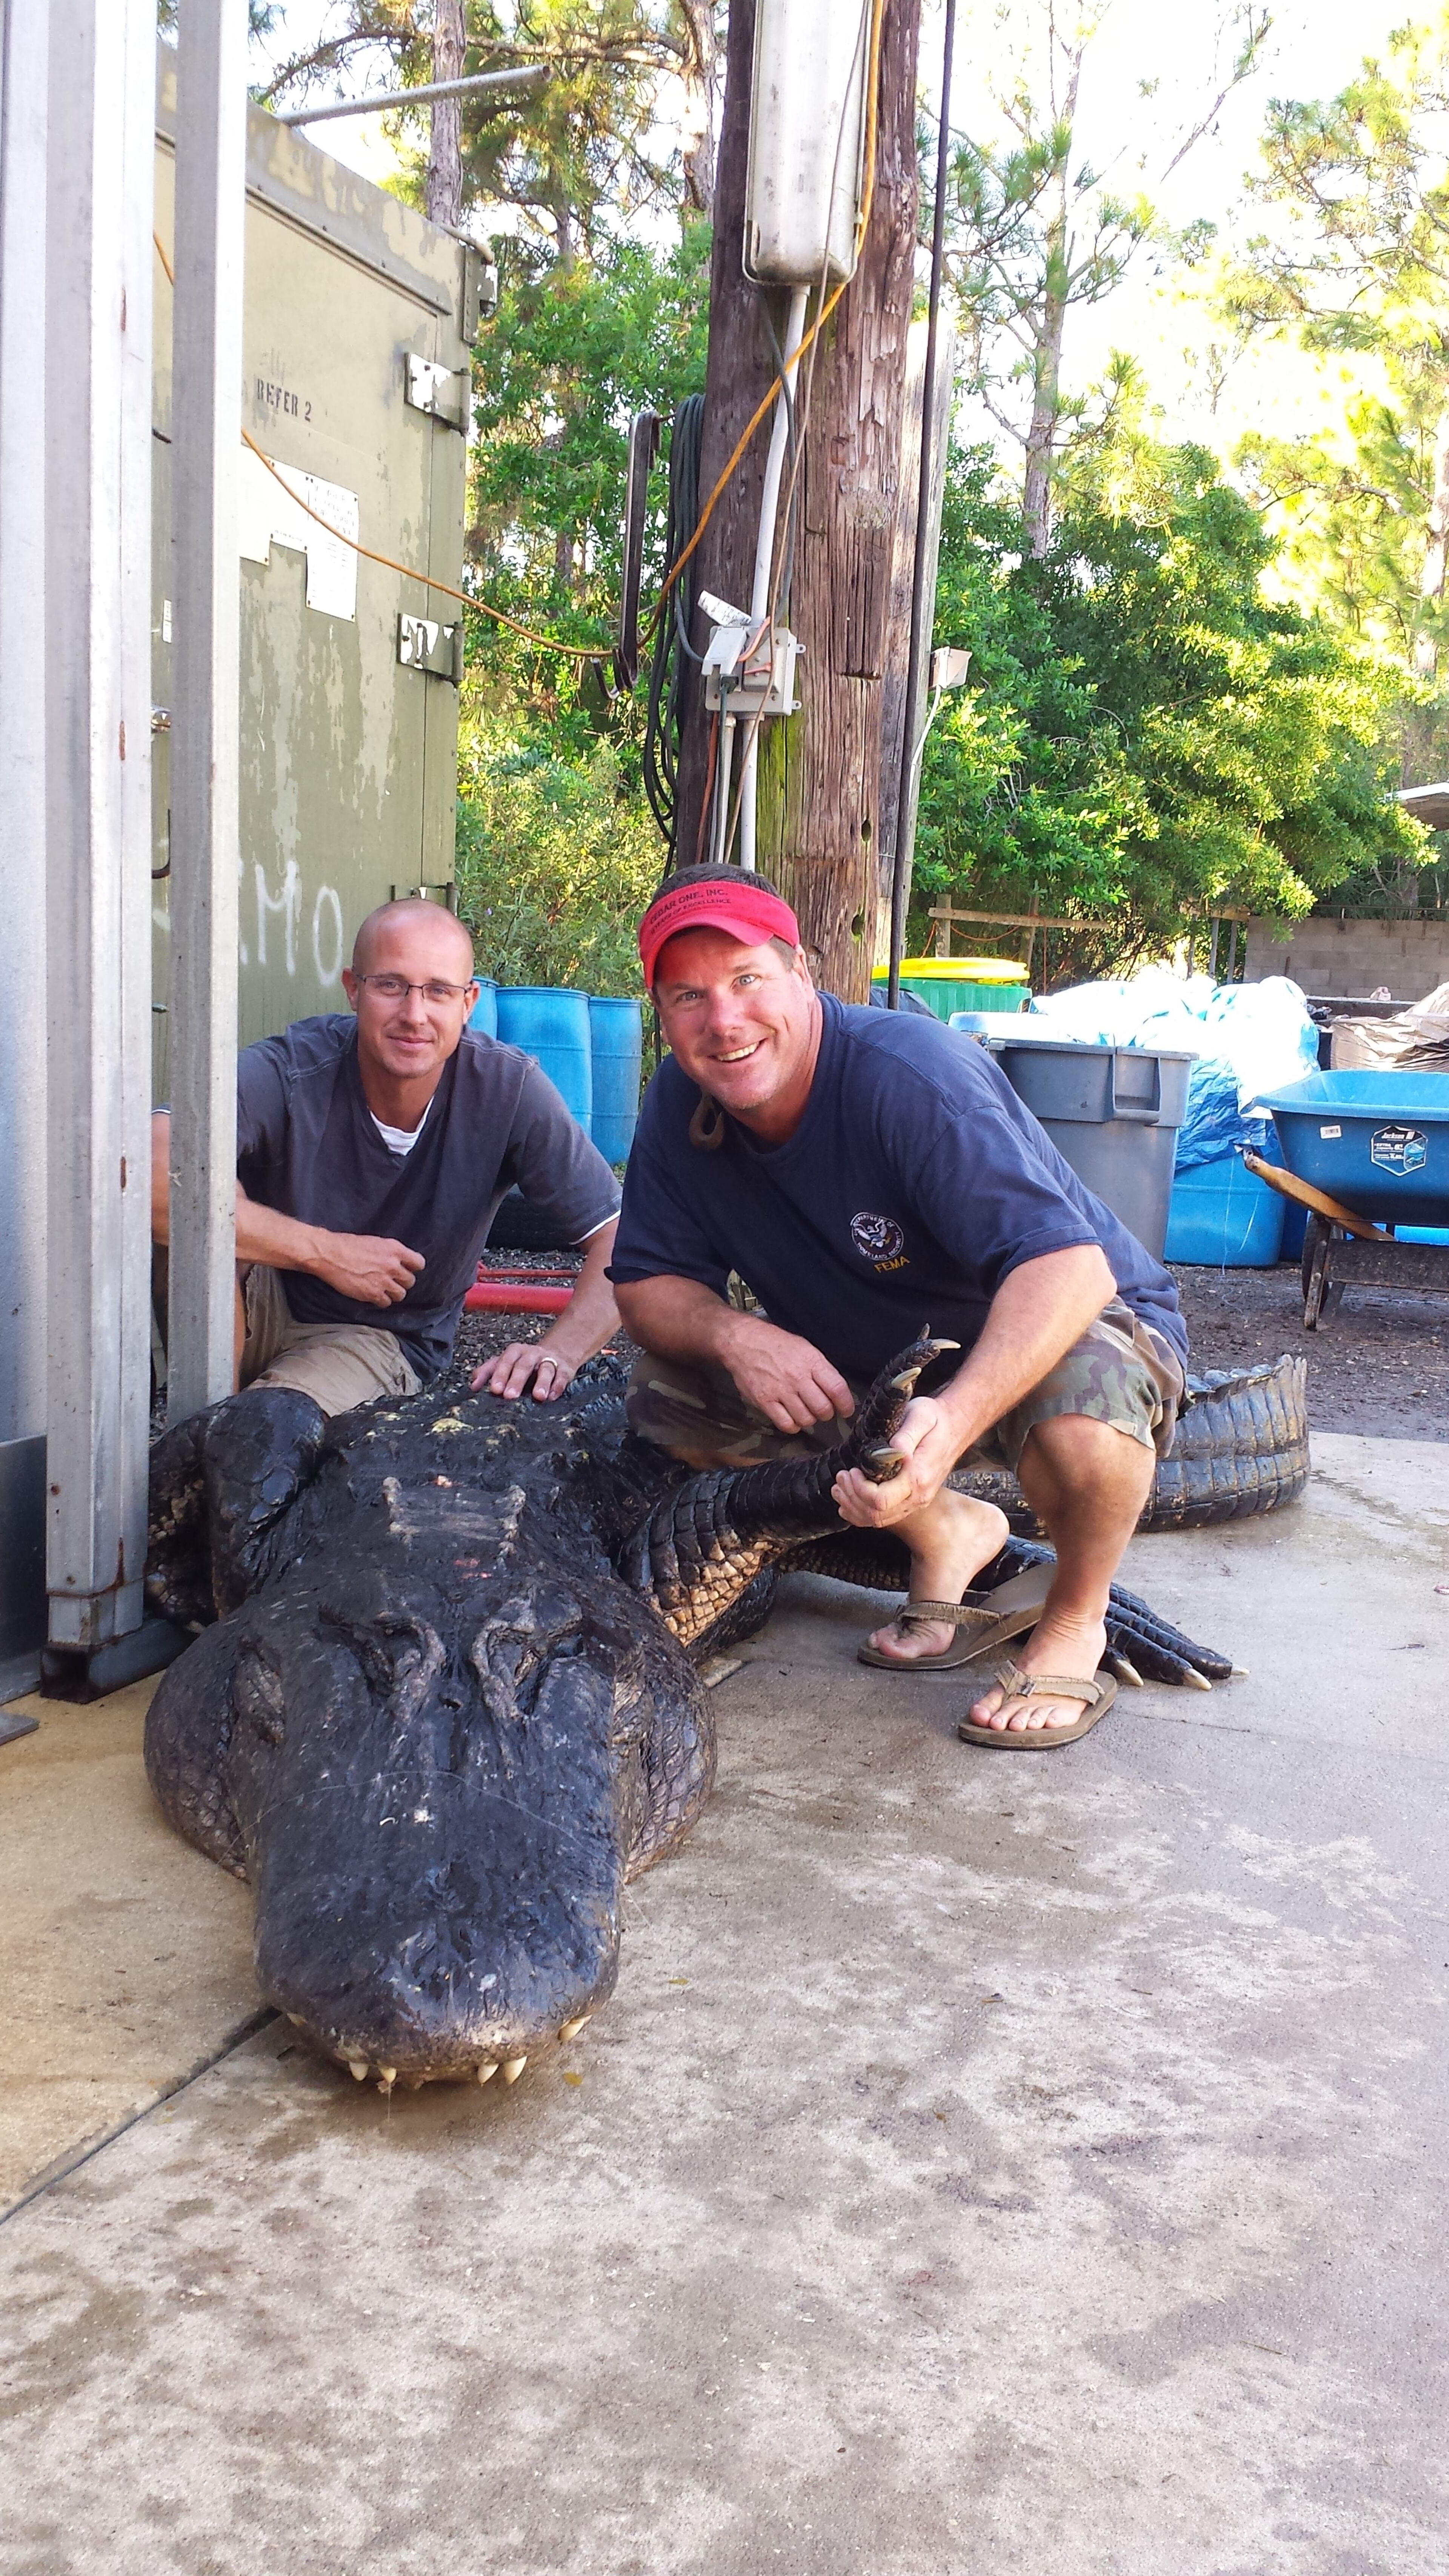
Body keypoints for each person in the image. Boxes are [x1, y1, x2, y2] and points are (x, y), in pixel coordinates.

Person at [608, 865, 1189, 1749]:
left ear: (801, 971)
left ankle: (1077, 1617)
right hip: (881, 1361)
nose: (723, 1021)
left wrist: (949, 1426)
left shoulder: (909, 1074)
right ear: (661, 1010)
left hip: (1060, 1328)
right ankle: (950, 1530)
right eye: (689, 996)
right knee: (670, 1391)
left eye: (747, 979)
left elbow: (1072, 1271)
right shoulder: (681, 1101)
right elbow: (645, 1286)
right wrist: (734, 1335)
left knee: (1087, 1417)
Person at [151, 899, 621, 1416]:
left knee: (272, 1426)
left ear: (468, 1002)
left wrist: (559, 1352)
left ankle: (238, 1429)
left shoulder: (508, 1091)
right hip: (261, 1297)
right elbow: (151, 1169)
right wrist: (325, 1252)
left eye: (438, 991)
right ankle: (210, 1423)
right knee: (202, 1190)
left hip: (379, 1337)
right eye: (391, 985)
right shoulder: (295, 1068)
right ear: (354, 989)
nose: (414, 1015)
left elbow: (620, 1237)